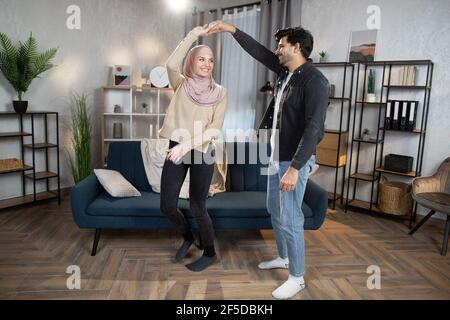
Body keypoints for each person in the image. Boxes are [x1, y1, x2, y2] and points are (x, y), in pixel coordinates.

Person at [208, 21, 329, 298]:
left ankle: (297, 277)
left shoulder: (314, 80)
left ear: (296, 47)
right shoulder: (286, 73)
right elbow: (260, 53)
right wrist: (231, 30)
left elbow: (314, 129)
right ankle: (284, 257)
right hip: (276, 157)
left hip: (293, 161)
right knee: (275, 211)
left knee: (290, 217)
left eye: (281, 45)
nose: (276, 50)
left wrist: (296, 168)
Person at [159, 24, 227, 272]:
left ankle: (209, 252)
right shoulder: (181, 84)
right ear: (192, 61)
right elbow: (170, 65)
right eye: (201, 59)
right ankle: (187, 236)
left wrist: (184, 145)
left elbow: (213, 130)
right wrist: (192, 35)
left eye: (211, 60)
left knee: (198, 205)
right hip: (176, 147)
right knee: (166, 205)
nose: (207, 64)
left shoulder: (220, 92)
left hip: (201, 151)